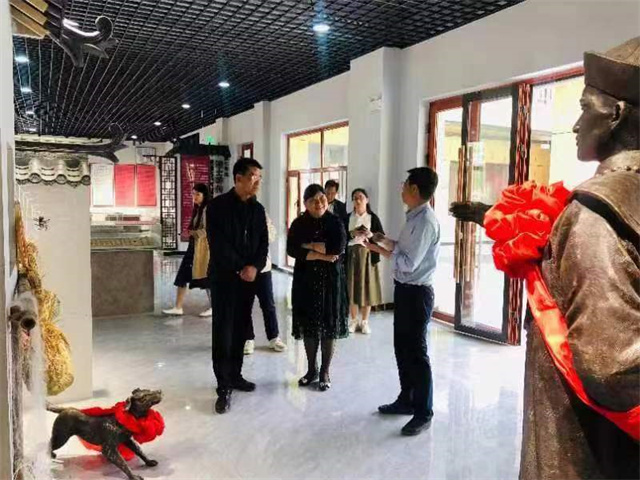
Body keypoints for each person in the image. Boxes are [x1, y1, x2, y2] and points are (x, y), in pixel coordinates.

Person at [450, 38, 640, 479]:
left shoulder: (597, 214)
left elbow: (608, 366)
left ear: (615, 115)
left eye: (585, 107)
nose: (576, 123)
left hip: (589, 448)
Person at [365, 167, 440, 437]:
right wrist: (382, 239)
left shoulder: (426, 222)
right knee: (402, 348)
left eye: (405, 184)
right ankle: (406, 399)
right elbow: (404, 249)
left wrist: (377, 250)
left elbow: (408, 264)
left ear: (415, 189)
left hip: (417, 294)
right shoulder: (413, 217)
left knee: (417, 353)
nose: (402, 188)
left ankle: (424, 412)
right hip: (405, 291)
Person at [206, 157, 268, 414]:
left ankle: (236, 375)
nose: (258, 182)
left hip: (248, 280)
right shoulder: (217, 206)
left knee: (241, 328)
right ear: (238, 178)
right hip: (224, 278)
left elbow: (263, 243)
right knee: (224, 331)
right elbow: (218, 244)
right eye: (254, 176)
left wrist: (255, 266)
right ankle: (223, 385)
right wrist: (242, 267)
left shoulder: (257, 209)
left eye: (260, 177)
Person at [287, 184, 348, 391]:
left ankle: (325, 371)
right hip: (305, 280)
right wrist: (319, 251)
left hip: (331, 281)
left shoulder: (335, 222)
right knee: (309, 325)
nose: (319, 203)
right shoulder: (298, 223)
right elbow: (291, 249)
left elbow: (337, 249)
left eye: (322, 198)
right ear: (305, 203)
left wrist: (307, 246)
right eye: (313, 200)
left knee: (329, 325)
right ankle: (311, 370)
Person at [163, 183, 212, 317]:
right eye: (193, 194)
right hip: (194, 247)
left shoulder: (207, 210)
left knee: (207, 277)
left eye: (198, 194)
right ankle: (178, 307)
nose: (194, 197)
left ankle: (215, 307)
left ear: (204, 195)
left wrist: (192, 233)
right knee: (183, 275)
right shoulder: (198, 209)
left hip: (203, 249)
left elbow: (208, 230)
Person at [244, 214, 287, 354]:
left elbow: (271, 236)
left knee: (268, 304)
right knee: (244, 305)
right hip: (243, 269)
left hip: (263, 268)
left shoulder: (261, 215)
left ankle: (274, 337)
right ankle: (247, 338)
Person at [346, 188, 384, 334]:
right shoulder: (348, 217)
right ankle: (353, 320)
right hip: (351, 255)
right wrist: (352, 233)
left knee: (367, 289)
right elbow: (341, 236)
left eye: (361, 197)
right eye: (355, 198)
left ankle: (364, 321)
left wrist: (371, 234)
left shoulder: (372, 218)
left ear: (367, 200)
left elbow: (381, 238)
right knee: (352, 288)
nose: (358, 200)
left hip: (368, 256)